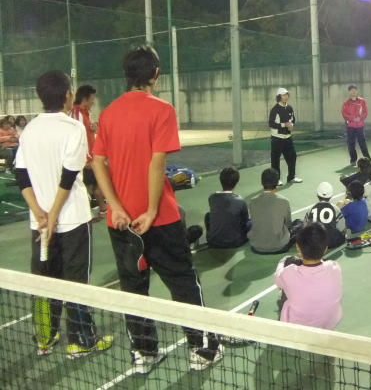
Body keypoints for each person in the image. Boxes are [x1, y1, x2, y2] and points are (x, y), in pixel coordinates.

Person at [92, 46, 221, 373]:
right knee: (183, 282)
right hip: (160, 218)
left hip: (121, 223)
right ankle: (202, 350)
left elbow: (97, 162)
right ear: (155, 75)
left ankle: (144, 354)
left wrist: (114, 207)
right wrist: (150, 210)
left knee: (133, 289)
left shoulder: (107, 114)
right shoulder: (162, 110)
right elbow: (156, 164)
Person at [15, 70, 113, 358]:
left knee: (45, 280)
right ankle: (81, 340)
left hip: (40, 224)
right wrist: (53, 214)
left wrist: (39, 213)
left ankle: (45, 338)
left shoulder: (30, 129)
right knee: (75, 281)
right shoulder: (73, 128)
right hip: (72, 221)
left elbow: (21, 176)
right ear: (69, 95)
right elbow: (68, 178)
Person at [275, 223, 342, 330]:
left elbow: (278, 280)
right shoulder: (334, 267)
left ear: (298, 247)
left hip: (298, 328)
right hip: (330, 324)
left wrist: (284, 260)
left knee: (285, 288)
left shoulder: (290, 272)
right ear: (325, 248)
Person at [69, 84, 106, 221]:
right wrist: (85, 159)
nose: (93, 102)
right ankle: (88, 214)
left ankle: (102, 210)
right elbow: (77, 138)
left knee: (98, 183)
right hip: (85, 159)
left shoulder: (85, 113)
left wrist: (94, 127)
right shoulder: (77, 114)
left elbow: (87, 132)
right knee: (84, 186)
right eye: (92, 99)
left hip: (91, 156)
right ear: (84, 99)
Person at [248, 168, 303, 253]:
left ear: (262, 182)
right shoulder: (284, 201)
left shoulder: (252, 201)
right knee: (299, 223)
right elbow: (288, 224)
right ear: (277, 182)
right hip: (279, 246)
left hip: (256, 246)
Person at [204, 167, 251, 249]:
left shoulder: (212, 198)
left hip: (213, 241)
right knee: (250, 222)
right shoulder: (240, 200)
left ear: (221, 180)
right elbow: (245, 221)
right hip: (236, 242)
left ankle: (213, 233)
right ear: (236, 182)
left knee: (208, 215)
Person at [269, 87, 302, 186]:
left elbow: (292, 119)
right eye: (283, 95)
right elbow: (271, 123)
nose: (286, 97)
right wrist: (284, 125)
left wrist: (291, 125)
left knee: (292, 156)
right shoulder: (275, 109)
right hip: (277, 138)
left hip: (287, 137)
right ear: (279, 97)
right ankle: (276, 180)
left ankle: (291, 177)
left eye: (287, 94)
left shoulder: (289, 108)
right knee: (275, 159)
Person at [305, 182, 345, 248]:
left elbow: (305, 227)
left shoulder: (311, 209)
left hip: (314, 243)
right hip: (331, 243)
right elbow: (341, 227)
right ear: (331, 195)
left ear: (317, 194)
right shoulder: (336, 209)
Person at [341, 84, 370, 166]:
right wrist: (353, 119)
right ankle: (353, 159)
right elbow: (344, 113)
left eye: (355, 90)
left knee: (362, 143)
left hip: (360, 126)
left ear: (357, 91)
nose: (353, 92)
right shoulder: (346, 103)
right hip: (350, 126)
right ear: (349, 92)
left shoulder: (362, 101)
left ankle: (367, 158)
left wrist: (360, 118)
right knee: (351, 144)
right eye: (351, 90)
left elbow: (365, 111)